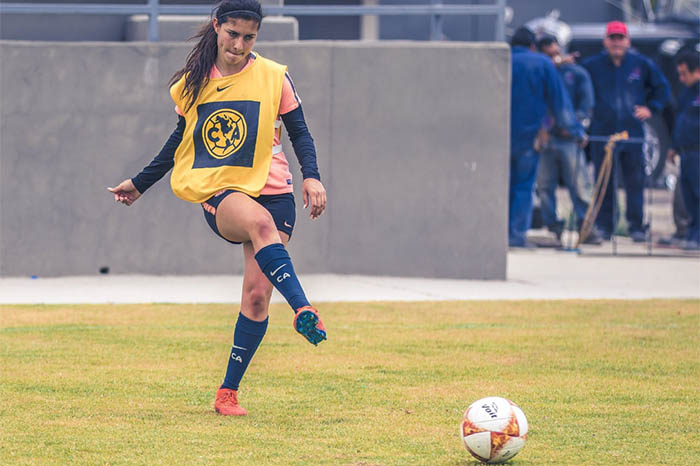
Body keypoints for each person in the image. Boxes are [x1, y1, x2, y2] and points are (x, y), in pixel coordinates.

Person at [108, 0, 327, 416]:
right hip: (220, 189)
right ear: (217, 26)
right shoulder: (193, 83)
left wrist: (312, 176)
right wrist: (139, 184)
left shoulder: (274, 76)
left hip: (274, 190)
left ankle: (227, 393)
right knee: (260, 224)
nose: (239, 45)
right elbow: (179, 141)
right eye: (233, 34)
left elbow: (300, 133)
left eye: (249, 37)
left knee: (257, 296)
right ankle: (303, 307)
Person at [582, 21, 672, 242]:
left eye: (620, 38)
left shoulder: (640, 64)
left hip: (632, 134)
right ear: (605, 41)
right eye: (612, 38)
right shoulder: (592, 65)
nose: (616, 43)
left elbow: (663, 89)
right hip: (603, 134)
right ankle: (605, 225)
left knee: (635, 181)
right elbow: (579, 89)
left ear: (627, 41)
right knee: (604, 180)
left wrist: (651, 108)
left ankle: (636, 226)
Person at [509, 27, 586, 248]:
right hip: (530, 137)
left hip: (500, 137)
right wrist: (576, 131)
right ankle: (515, 236)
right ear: (533, 46)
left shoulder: (503, 60)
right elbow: (559, 103)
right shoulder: (542, 64)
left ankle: (499, 234)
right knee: (523, 187)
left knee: (503, 185)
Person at [536, 35, 602, 245]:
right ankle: (553, 226)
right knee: (545, 186)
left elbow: (586, 106)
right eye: (548, 55)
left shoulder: (576, 74)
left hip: (569, 138)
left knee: (579, 185)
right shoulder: (541, 74)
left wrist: (577, 128)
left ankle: (587, 227)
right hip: (546, 137)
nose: (554, 58)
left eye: (555, 53)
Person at [666, 51, 700, 250]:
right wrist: (674, 146)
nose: (681, 78)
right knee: (688, 197)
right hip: (686, 152)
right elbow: (680, 120)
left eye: (684, 73)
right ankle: (691, 233)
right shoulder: (687, 93)